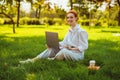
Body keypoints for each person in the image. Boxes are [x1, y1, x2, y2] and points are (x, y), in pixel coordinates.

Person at [19, 10, 88, 64]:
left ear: (76, 18)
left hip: (77, 55)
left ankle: (51, 60)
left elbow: (84, 46)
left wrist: (71, 48)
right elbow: (64, 43)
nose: (69, 19)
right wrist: (53, 44)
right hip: (68, 51)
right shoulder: (69, 31)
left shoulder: (81, 32)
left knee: (64, 51)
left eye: (71, 17)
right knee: (52, 49)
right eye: (68, 17)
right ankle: (33, 60)